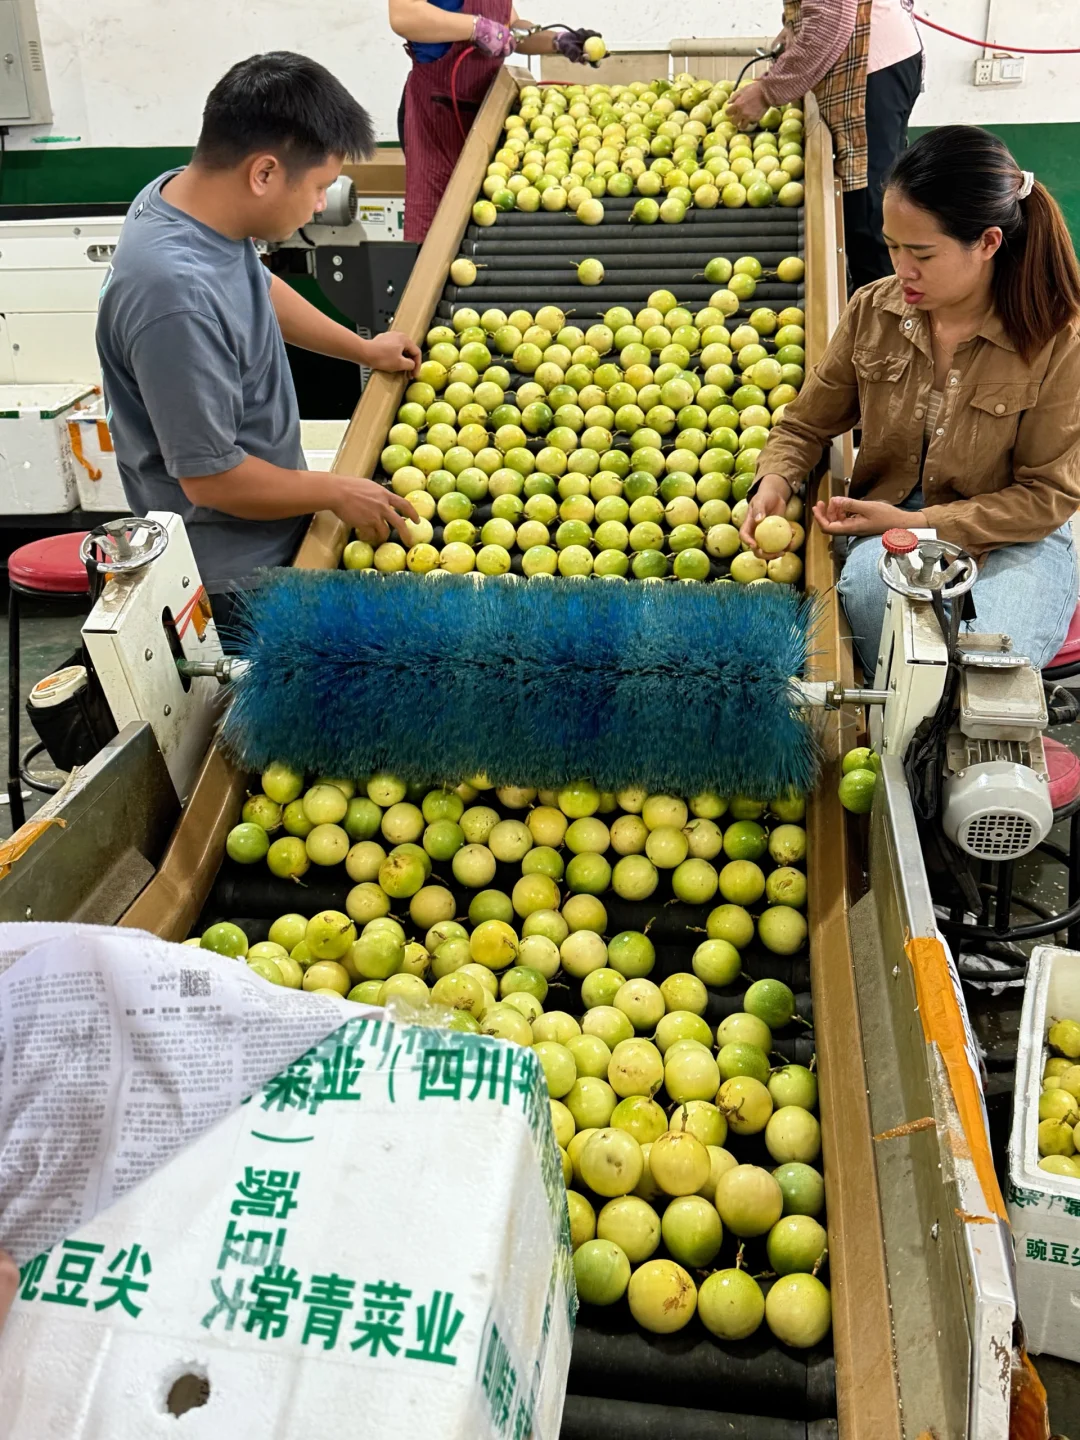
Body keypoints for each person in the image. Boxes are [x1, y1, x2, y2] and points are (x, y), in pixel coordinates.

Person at [97, 52, 420, 634]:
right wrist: (336, 492)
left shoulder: (183, 198)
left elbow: (257, 285)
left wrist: (362, 348)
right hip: (234, 575)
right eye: (319, 187)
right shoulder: (172, 296)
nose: (321, 204)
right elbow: (211, 480)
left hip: (271, 524)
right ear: (264, 173)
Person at [741, 125, 1080, 677]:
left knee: (992, 663)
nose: (901, 269)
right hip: (893, 528)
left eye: (922, 253)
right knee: (897, 640)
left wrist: (918, 521)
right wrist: (776, 481)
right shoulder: (874, 311)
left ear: (988, 243)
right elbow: (804, 425)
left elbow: (1045, 499)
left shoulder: (1056, 340)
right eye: (893, 246)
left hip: (1014, 537)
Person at [727, 0, 923, 292]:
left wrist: (768, 92)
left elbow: (832, 19)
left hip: (868, 69)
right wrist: (793, 30)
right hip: (886, 60)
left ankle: (887, 319)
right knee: (881, 196)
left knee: (870, 215)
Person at [389, 1, 600, 242]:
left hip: (488, 113)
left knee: (482, 219)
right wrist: (475, 27)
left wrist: (556, 40)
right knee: (438, 224)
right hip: (437, 118)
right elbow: (403, 16)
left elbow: (511, 28)